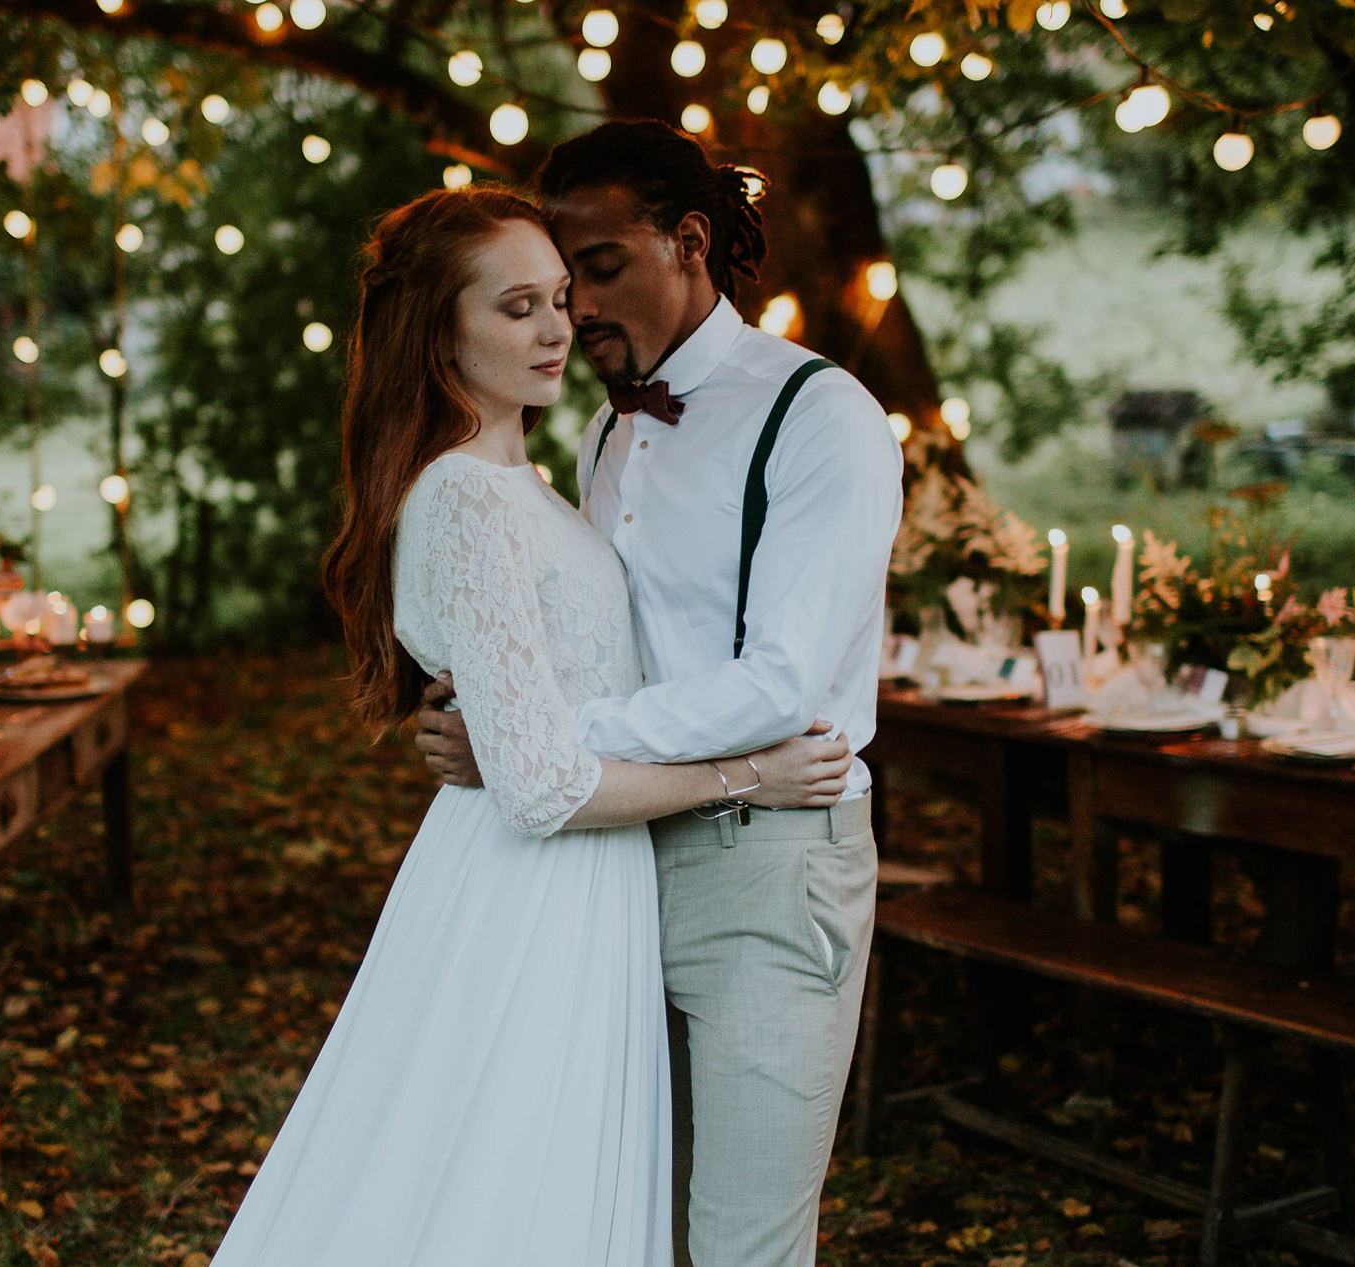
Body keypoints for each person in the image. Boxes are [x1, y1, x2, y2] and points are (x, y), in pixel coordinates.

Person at [210, 187, 853, 1266]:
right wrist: (745, 774)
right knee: (502, 1191)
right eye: (517, 308)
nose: (558, 328)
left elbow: (539, 718)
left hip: (586, 887)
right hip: (527, 896)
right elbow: (544, 785)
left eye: (559, 298)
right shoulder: (463, 497)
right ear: (439, 331)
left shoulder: (542, 481)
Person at [417, 122, 904, 1267]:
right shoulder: (600, 426)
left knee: (742, 1243)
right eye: (553, 282)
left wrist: (534, 736)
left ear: (689, 242)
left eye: (599, 268)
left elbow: (781, 681)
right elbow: (597, 647)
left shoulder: (820, 415)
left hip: (770, 859)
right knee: (621, 1214)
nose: (576, 309)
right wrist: (473, 702)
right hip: (612, 861)